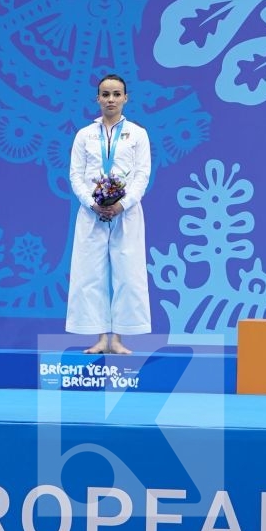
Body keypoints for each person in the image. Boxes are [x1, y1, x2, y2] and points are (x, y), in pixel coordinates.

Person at [66, 74, 152, 355]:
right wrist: (92, 203)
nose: (111, 99)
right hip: (91, 214)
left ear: (126, 98)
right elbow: (75, 175)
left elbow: (142, 175)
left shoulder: (138, 134)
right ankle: (102, 337)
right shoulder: (84, 135)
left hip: (126, 214)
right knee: (91, 275)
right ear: (97, 98)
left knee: (128, 274)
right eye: (105, 94)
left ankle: (118, 339)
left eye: (116, 94)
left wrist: (121, 204)